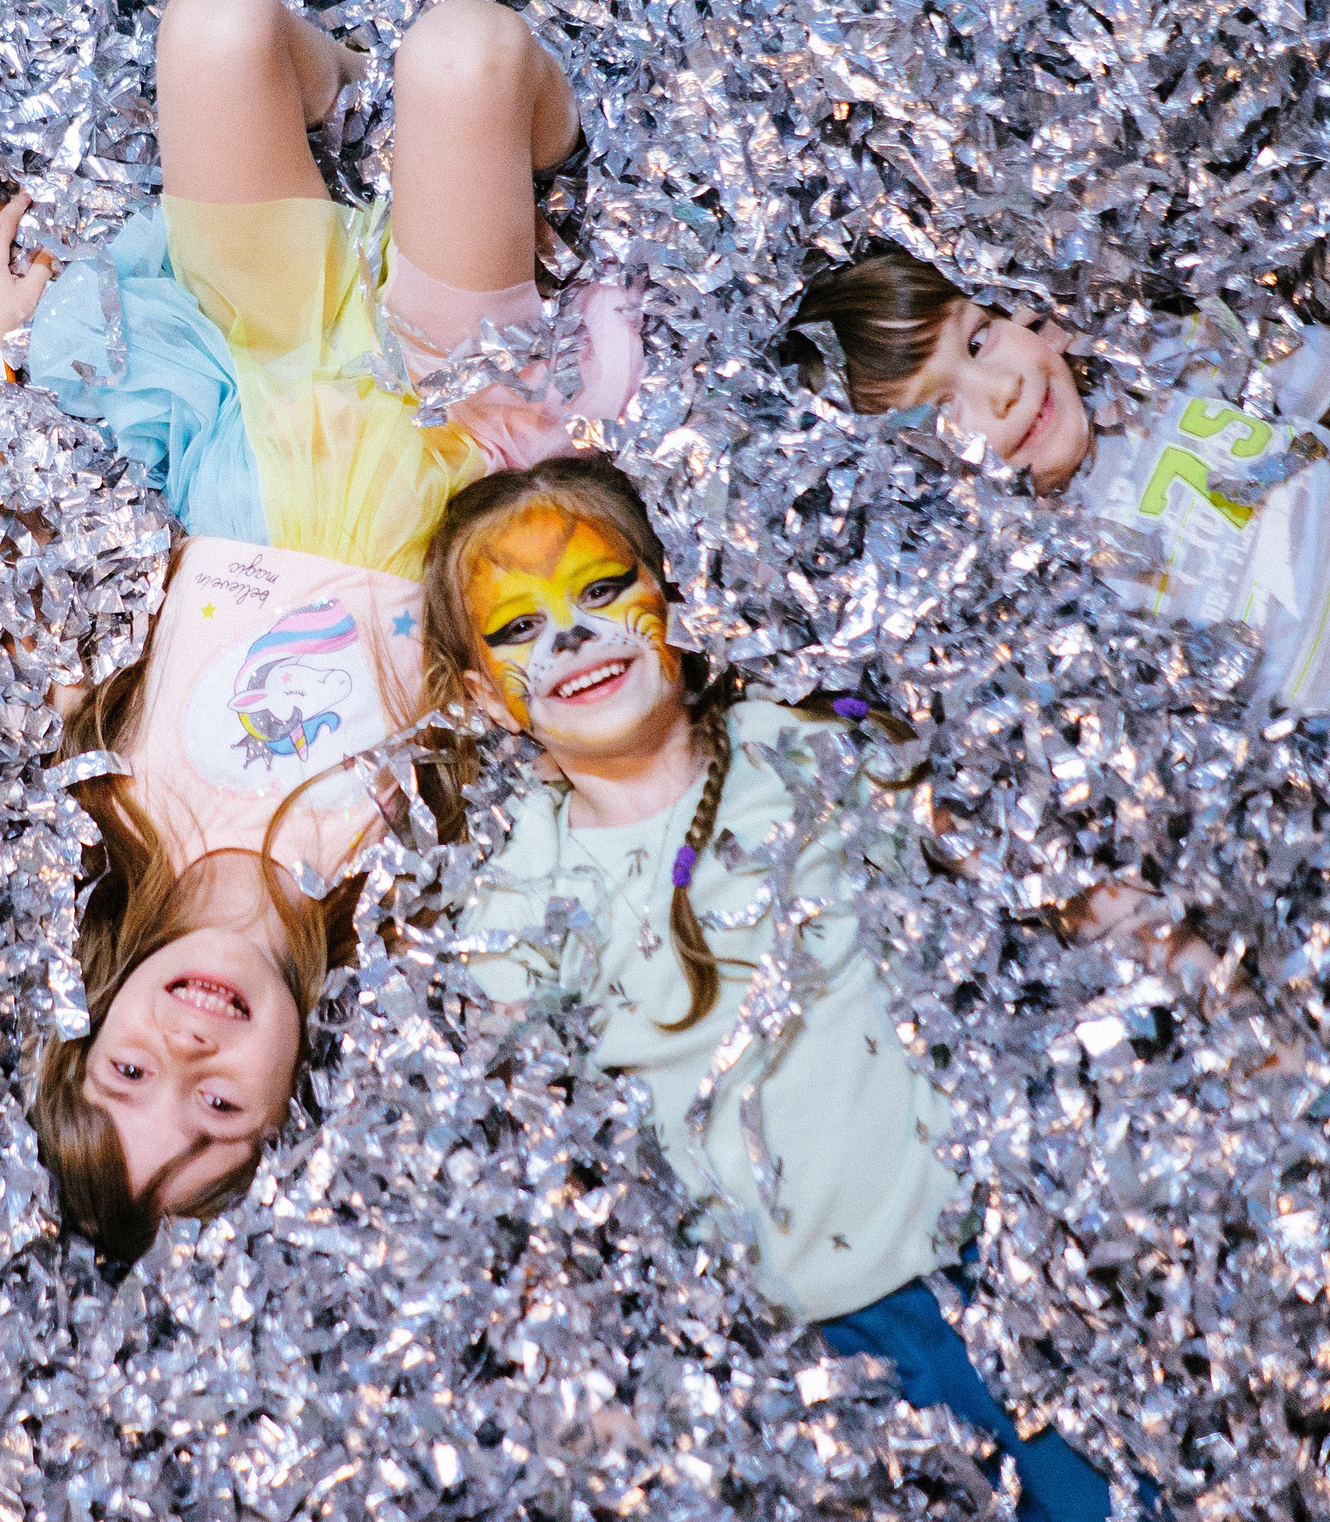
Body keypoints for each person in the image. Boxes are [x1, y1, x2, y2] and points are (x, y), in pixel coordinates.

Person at [0, 0, 646, 1262]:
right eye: (217, 1104)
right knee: (461, 53)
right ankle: (535, 142)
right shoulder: (389, 890)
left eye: (130, 1076)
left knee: (212, 22)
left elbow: (28, 572)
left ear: (90, 1024)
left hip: (250, 392)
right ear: (290, 1094)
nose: (185, 1049)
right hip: (444, 419)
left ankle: (313, 83)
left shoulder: (105, 805)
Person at [421, 454, 1187, 1522]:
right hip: (806, 1353)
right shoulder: (521, 889)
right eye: (516, 628)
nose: (571, 639)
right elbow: (512, 1141)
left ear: (669, 592)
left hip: (988, 1264)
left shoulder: (798, 748)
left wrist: (1182, 957)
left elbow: (1013, 867)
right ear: (481, 701)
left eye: (601, 591)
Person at [784, 249, 1330, 711]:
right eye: (939, 412)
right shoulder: (1050, 592)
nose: (1002, 389)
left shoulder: (1153, 359)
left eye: (977, 341)